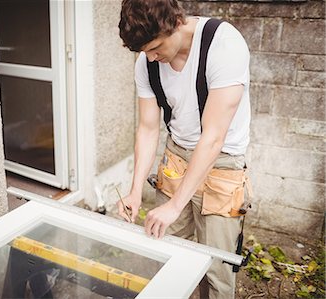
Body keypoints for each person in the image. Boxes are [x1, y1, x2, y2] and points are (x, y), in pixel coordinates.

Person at [117, 0, 251, 298]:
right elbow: (148, 128)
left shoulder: (224, 45)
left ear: (175, 23)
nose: (151, 58)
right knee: (163, 252)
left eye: (156, 48)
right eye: (145, 52)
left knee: (216, 268)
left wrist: (175, 205)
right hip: (175, 158)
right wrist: (135, 190)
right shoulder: (147, 62)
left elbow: (213, 137)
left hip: (222, 165)